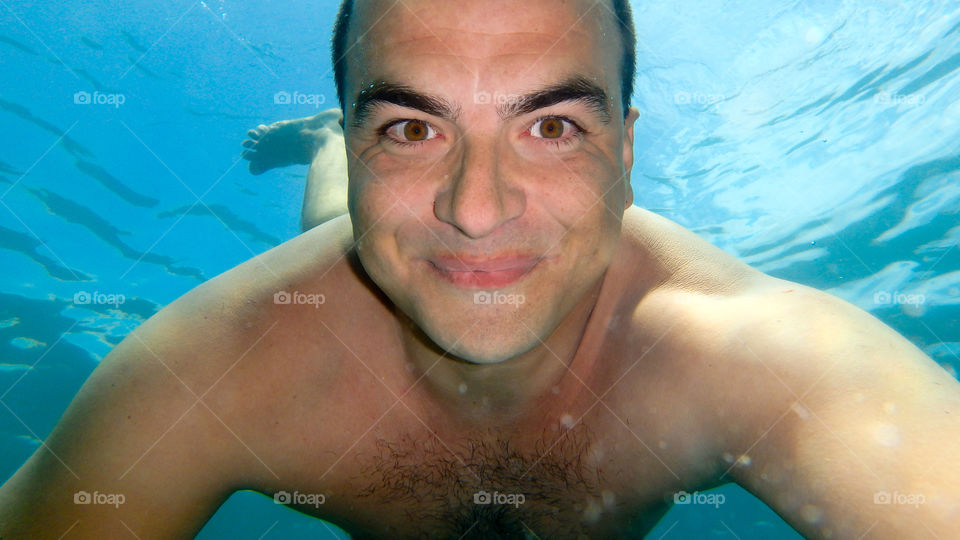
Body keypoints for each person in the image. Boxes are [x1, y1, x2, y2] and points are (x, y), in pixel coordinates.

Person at [2, 0, 959, 538]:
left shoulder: (740, 346)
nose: (477, 205)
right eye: (410, 127)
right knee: (339, 227)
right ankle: (332, 145)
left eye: (552, 126)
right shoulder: (220, 366)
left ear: (626, 154)